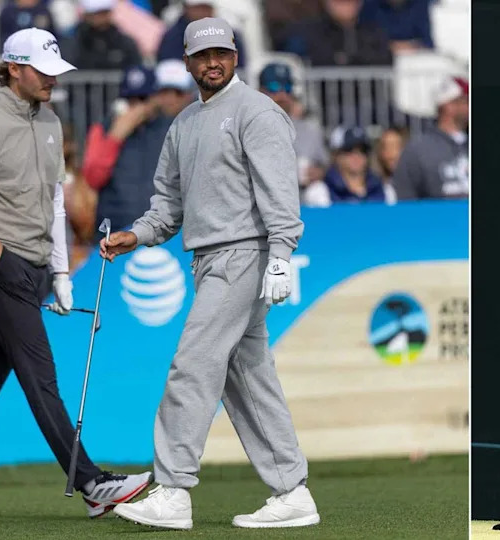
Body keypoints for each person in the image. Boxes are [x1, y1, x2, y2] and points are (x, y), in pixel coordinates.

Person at [103, 17, 317, 530]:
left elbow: (279, 193)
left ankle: (173, 490)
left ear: (236, 57)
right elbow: (169, 203)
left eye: (221, 53)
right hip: (207, 260)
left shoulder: (257, 112)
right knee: (246, 377)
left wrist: (282, 255)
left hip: (246, 255)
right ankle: (292, 490)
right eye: (202, 56)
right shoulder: (184, 124)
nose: (212, 62)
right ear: (187, 61)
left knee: (193, 364)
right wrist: (139, 233)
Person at [0, 27, 152, 519]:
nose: (52, 81)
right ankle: (91, 482)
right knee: (42, 379)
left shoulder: (52, 121)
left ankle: (90, 484)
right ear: (14, 67)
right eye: (43, 71)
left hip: (35, 267)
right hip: (1, 266)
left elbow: (57, 200)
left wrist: (61, 273)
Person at [80, 66, 173, 233]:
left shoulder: (172, 129)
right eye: (130, 99)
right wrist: (115, 137)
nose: (136, 105)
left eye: (143, 99)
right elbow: (93, 178)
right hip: (116, 230)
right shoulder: (104, 128)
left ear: (156, 97)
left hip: (160, 233)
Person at [393, 76, 469, 200]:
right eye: (466, 101)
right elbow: (405, 195)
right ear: (448, 105)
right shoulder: (418, 149)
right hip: (438, 217)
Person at [257, 63, 329, 192]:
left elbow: (323, 165)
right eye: (274, 87)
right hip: (260, 197)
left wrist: (318, 172)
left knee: (319, 190)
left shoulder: (310, 130)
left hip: (302, 198)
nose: (282, 95)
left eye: (288, 87)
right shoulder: (247, 128)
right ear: (260, 91)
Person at [157, 0, 248, 70]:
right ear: (186, 8)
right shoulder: (172, 37)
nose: (202, 12)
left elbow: (239, 67)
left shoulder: (228, 33)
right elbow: (169, 69)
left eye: (206, 8)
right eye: (198, 8)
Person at [60, 0, 143, 71]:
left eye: (103, 12)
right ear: (86, 14)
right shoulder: (74, 41)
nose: (99, 17)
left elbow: (135, 69)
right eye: (95, 13)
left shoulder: (124, 42)